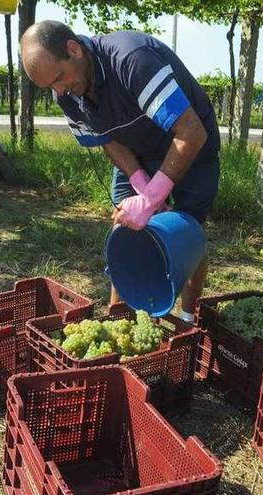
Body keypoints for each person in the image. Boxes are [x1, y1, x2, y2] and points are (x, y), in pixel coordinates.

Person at [20, 20, 221, 323]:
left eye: (60, 78)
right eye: (50, 86)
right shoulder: (64, 92)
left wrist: (154, 198)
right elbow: (108, 138)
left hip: (190, 151)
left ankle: (188, 317)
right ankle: (121, 322)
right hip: (138, 152)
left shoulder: (131, 60)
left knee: (189, 237)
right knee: (126, 231)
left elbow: (191, 133)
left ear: (73, 49)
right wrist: (141, 182)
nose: (59, 91)